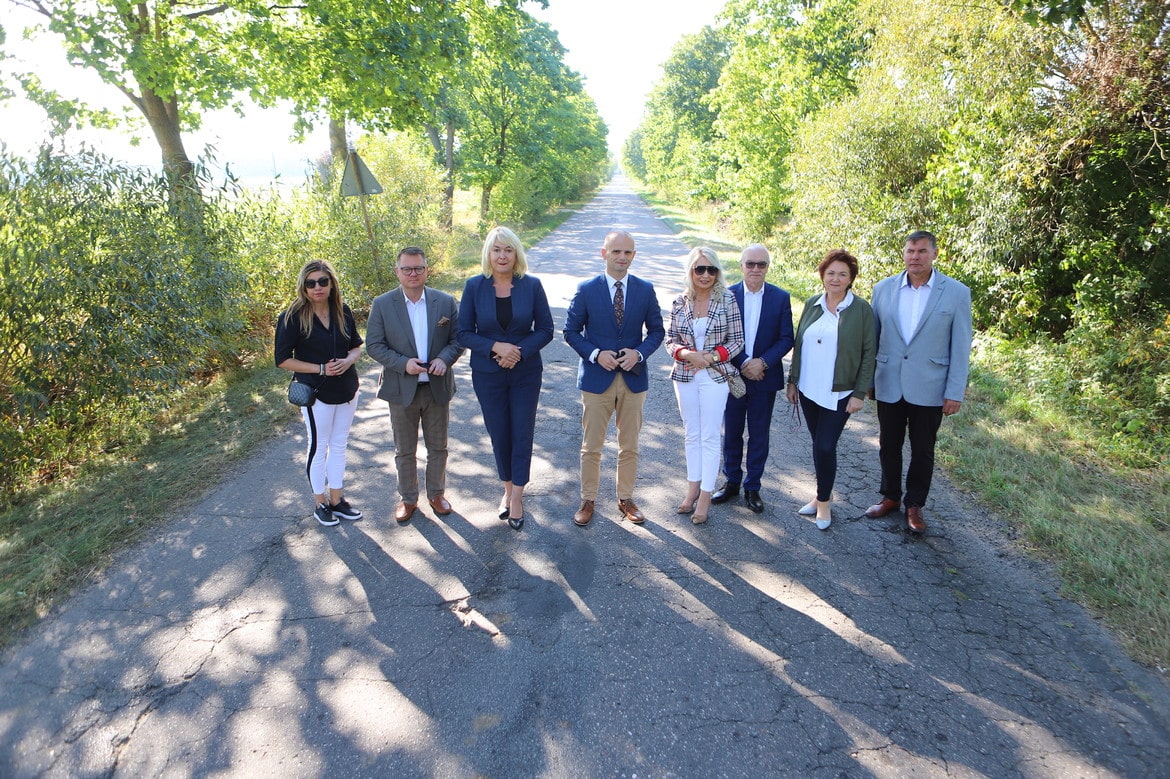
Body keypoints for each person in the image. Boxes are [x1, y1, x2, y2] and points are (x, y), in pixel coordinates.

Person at [865, 230, 973, 534]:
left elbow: (961, 345)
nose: (915, 257)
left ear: (934, 254)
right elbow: (874, 338)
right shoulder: (883, 288)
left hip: (931, 385)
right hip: (889, 381)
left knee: (923, 448)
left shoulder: (956, 292)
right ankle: (890, 497)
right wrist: (870, 380)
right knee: (889, 443)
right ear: (904, 254)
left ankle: (915, 504)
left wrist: (955, 391)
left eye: (922, 251)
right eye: (910, 251)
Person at [564, 229, 665, 527]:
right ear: (604, 253)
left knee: (629, 444)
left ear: (634, 255)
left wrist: (640, 353)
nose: (622, 257)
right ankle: (588, 499)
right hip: (597, 378)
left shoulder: (645, 289)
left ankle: (626, 498)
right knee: (591, 445)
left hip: (633, 377)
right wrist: (595, 353)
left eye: (628, 252)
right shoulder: (586, 289)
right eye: (616, 251)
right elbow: (570, 331)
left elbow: (657, 331)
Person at [458, 227, 554, 530]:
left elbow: (546, 329)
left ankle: (516, 497)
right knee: (499, 433)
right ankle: (506, 487)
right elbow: (463, 332)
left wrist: (519, 351)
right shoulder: (474, 286)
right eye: (497, 249)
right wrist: (495, 347)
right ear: (488, 253)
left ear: (517, 254)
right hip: (487, 374)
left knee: (522, 433)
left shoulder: (532, 286)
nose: (502, 255)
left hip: (525, 373)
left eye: (508, 250)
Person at [366, 247, 465, 524]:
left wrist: (445, 359)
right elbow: (374, 345)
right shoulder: (383, 304)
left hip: (437, 388)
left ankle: (436, 493)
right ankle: (408, 499)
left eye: (418, 268)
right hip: (401, 388)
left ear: (427, 270)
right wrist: (402, 363)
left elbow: (458, 339)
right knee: (405, 450)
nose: (413, 273)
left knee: (438, 447)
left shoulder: (444, 302)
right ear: (397, 271)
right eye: (407, 269)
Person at [785, 249, 876, 530]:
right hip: (810, 390)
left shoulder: (861, 310)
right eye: (831, 273)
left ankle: (824, 503)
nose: (835, 278)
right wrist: (793, 380)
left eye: (842, 274)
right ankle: (820, 494)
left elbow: (869, 352)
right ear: (823, 275)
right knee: (818, 446)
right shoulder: (813, 303)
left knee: (825, 446)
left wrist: (859, 393)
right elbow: (800, 345)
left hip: (840, 393)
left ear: (851, 279)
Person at [275, 259, 365, 527]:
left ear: (331, 284)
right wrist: (321, 368)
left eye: (323, 282)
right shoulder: (292, 317)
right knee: (318, 447)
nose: (317, 287)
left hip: (347, 389)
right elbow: (282, 359)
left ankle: (338, 499)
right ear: (303, 286)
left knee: (339, 445)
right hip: (316, 394)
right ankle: (320, 502)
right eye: (311, 283)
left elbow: (357, 347)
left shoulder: (343, 311)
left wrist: (348, 361)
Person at [665, 247, 745, 524]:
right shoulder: (679, 302)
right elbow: (670, 340)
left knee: (710, 436)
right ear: (690, 271)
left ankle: (706, 496)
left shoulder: (727, 300)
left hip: (715, 376)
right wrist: (687, 355)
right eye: (700, 269)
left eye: (712, 269)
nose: (706, 275)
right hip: (685, 375)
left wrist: (709, 357)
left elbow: (737, 341)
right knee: (691, 434)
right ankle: (691, 490)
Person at [712, 245, 794, 513]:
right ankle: (732, 481)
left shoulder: (781, 298)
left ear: (768, 267)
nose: (756, 269)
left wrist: (764, 362)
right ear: (741, 265)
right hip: (734, 374)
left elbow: (786, 338)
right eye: (751, 264)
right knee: (732, 431)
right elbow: (721, 337)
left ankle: (753, 487)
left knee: (759, 435)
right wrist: (745, 362)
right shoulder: (727, 295)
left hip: (764, 379)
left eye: (762, 264)